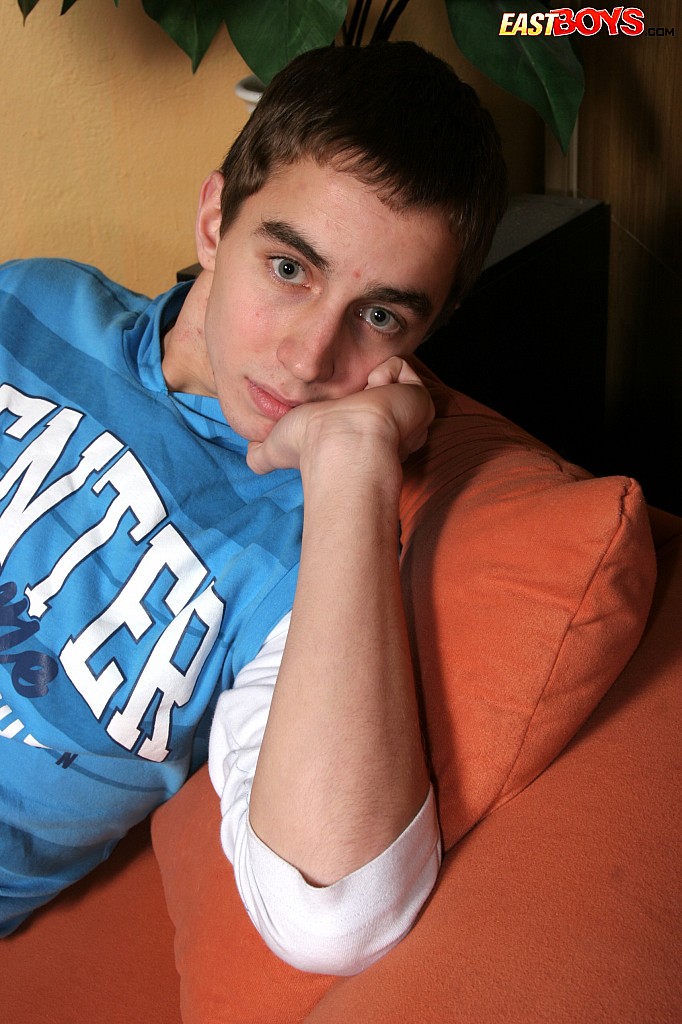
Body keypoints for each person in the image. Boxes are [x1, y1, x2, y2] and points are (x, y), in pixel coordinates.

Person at [0, 41, 507, 973]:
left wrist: (352, 464)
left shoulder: (305, 559)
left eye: (380, 316)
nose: (310, 358)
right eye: (289, 268)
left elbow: (334, 918)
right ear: (213, 222)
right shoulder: (29, 304)